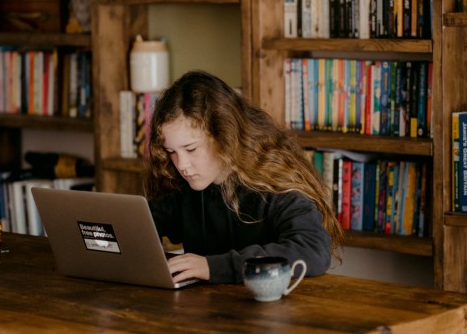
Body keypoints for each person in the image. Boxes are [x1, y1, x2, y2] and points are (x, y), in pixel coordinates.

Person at [146, 70, 343, 285]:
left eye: (191, 149)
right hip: (207, 310)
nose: (182, 165)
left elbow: (313, 250)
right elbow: (144, 226)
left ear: (225, 136)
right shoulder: (181, 184)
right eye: (171, 152)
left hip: (272, 311)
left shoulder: (274, 182)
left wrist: (212, 267)